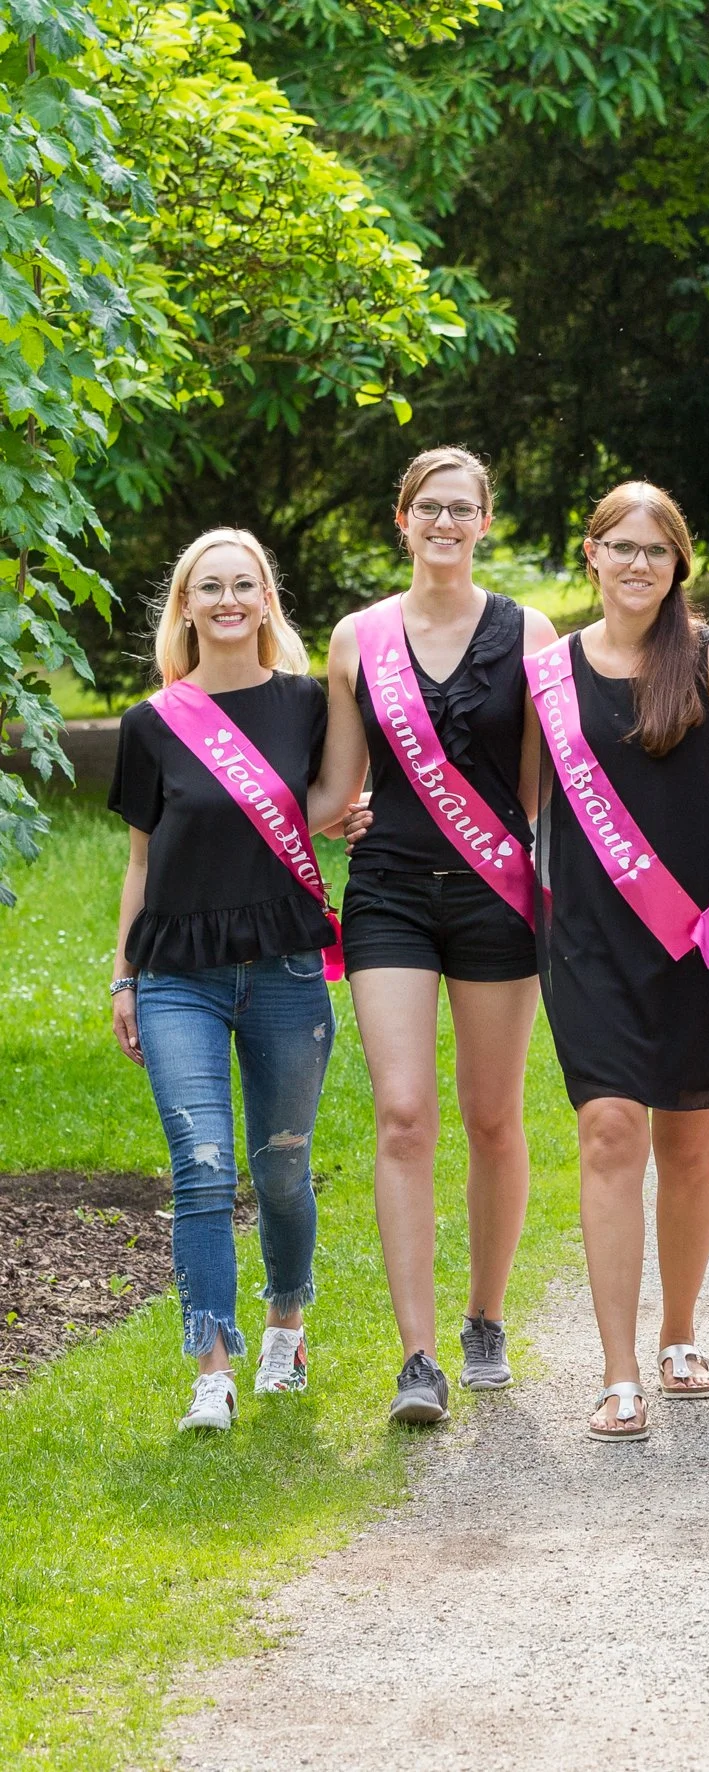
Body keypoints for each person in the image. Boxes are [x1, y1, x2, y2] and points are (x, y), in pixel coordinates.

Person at [530, 482, 709, 1441]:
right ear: (590, 554)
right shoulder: (548, 674)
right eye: (620, 546)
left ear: (679, 563)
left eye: (657, 550)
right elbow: (526, 802)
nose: (638, 564)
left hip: (703, 941)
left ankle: (678, 1333)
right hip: (592, 945)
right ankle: (617, 1370)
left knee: (687, 1147)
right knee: (606, 1133)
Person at [319, 446, 557, 1426]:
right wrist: (320, 813)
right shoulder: (355, 638)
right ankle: (417, 1356)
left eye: (463, 508)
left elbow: (547, 791)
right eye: (430, 508)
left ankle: (484, 1317)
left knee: (492, 1115)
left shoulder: (533, 631)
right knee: (405, 1113)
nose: (447, 523)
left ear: (486, 523)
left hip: (499, 893)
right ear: (401, 520)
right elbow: (336, 787)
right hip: (389, 894)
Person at [108, 530, 364, 1431]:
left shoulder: (305, 704)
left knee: (282, 1168)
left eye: (241, 586)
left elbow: (334, 804)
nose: (225, 600)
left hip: (288, 969)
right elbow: (141, 863)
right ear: (186, 606)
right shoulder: (151, 723)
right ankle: (209, 1370)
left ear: (265, 601)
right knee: (202, 1170)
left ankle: (286, 1325)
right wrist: (123, 977)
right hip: (178, 974)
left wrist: (350, 817)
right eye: (207, 587)